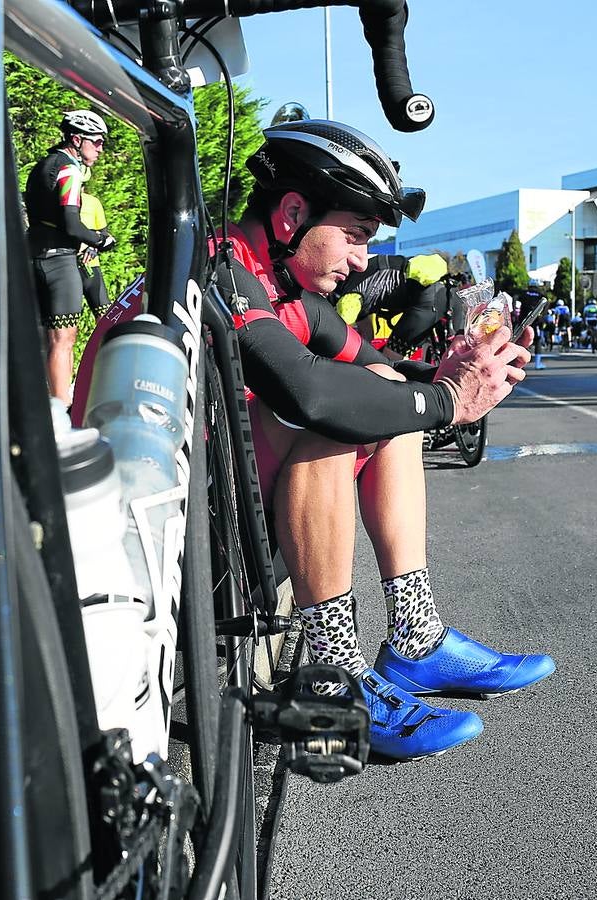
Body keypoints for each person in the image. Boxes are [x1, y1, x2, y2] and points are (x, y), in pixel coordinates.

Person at [208, 119, 555, 761]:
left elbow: (375, 366)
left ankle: (415, 639)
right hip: (165, 533)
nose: (365, 261)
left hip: (214, 496)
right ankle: (336, 679)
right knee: (335, 423)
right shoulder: (223, 267)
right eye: (357, 235)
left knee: (382, 384)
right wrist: (449, 401)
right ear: (292, 213)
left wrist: (456, 371)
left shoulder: (279, 278)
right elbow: (307, 394)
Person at [24, 110, 115, 402]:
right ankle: (62, 410)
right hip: (60, 261)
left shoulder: (42, 166)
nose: (101, 148)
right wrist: (100, 239)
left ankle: (34, 402)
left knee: (39, 338)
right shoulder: (69, 169)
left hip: (32, 255)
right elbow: (72, 224)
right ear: (77, 139)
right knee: (63, 340)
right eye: (97, 142)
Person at [331, 252, 453, 358]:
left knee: (388, 362)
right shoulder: (357, 282)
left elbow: (335, 335)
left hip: (427, 297)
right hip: (444, 291)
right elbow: (368, 334)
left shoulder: (349, 299)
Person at [77, 169, 113, 319]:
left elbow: (105, 234)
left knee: (104, 315)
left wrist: (94, 247)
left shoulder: (92, 202)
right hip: (64, 265)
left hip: (89, 265)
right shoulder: (56, 202)